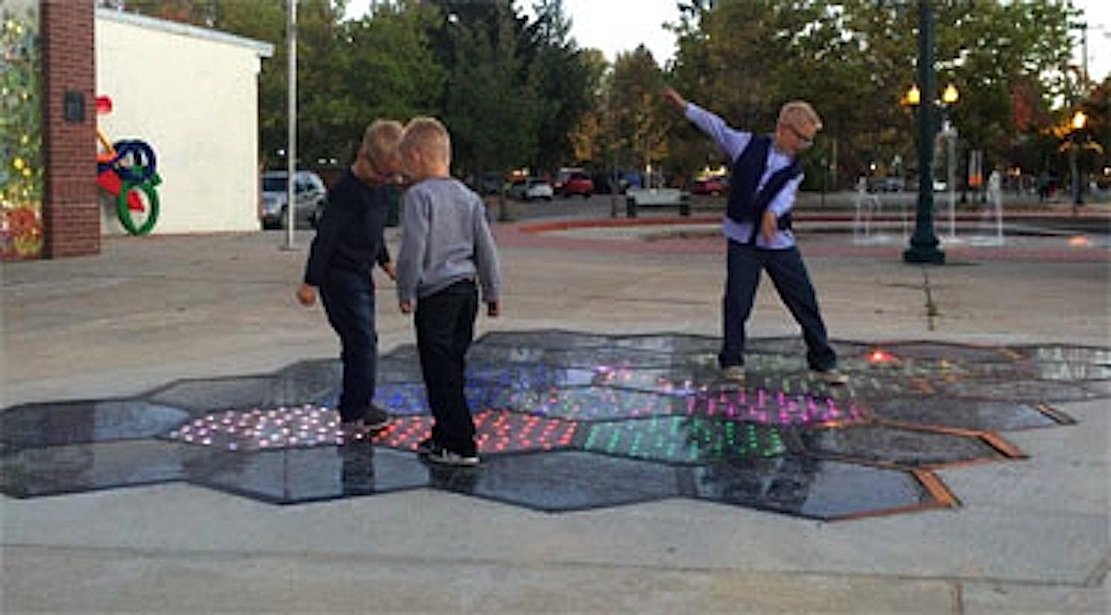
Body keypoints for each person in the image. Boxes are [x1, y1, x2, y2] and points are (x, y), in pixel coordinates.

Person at [662, 87, 848, 386]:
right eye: (802, 137)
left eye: (809, 140)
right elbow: (715, 126)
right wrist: (685, 107)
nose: (805, 145)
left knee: (804, 300)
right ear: (783, 129)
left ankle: (822, 361)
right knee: (737, 300)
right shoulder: (746, 145)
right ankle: (732, 360)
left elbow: (785, 197)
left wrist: (772, 213)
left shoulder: (795, 168)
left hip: (778, 242)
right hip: (742, 240)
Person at [395, 116, 501, 466]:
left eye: (404, 162)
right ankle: (443, 433)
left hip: (436, 296)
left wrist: (405, 289)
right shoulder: (468, 197)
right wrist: (492, 291)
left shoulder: (418, 197)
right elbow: (486, 248)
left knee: (438, 372)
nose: (402, 172)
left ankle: (460, 442)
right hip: (466, 294)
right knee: (453, 366)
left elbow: (413, 248)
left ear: (416, 156)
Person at [297, 119, 403, 434]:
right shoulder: (345, 192)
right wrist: (310, 282)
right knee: (363, 341)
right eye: (381, 173)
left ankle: (354, 403)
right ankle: (357, 409)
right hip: (337, 275)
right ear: (362, 157)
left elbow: (374, 233)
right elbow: (325, 239)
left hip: (361, 273)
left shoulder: (380, 190)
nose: (384, 180)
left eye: (390, 176)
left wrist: (385, 262)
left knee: (359, 340)